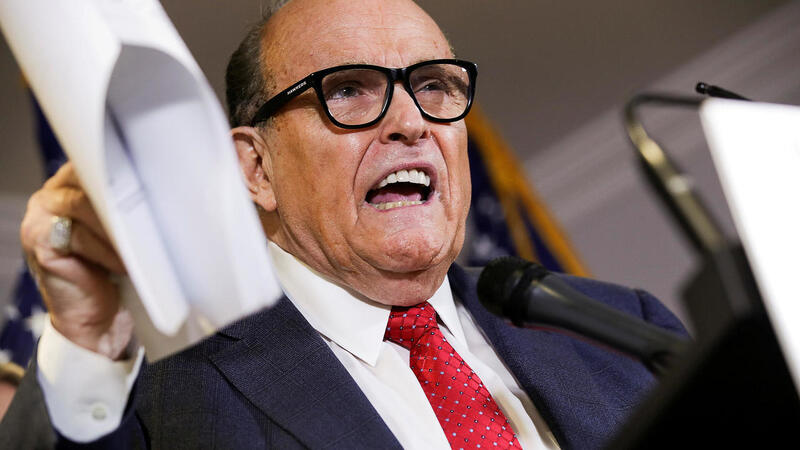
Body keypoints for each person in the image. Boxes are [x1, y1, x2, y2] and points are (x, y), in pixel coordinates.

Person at [0, 0, 685, 448]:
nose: (412, 121)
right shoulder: (166, 393)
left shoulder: (623, 331)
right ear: (256, 168)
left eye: (435, 86)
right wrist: (85, 340)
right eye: (349, 90)